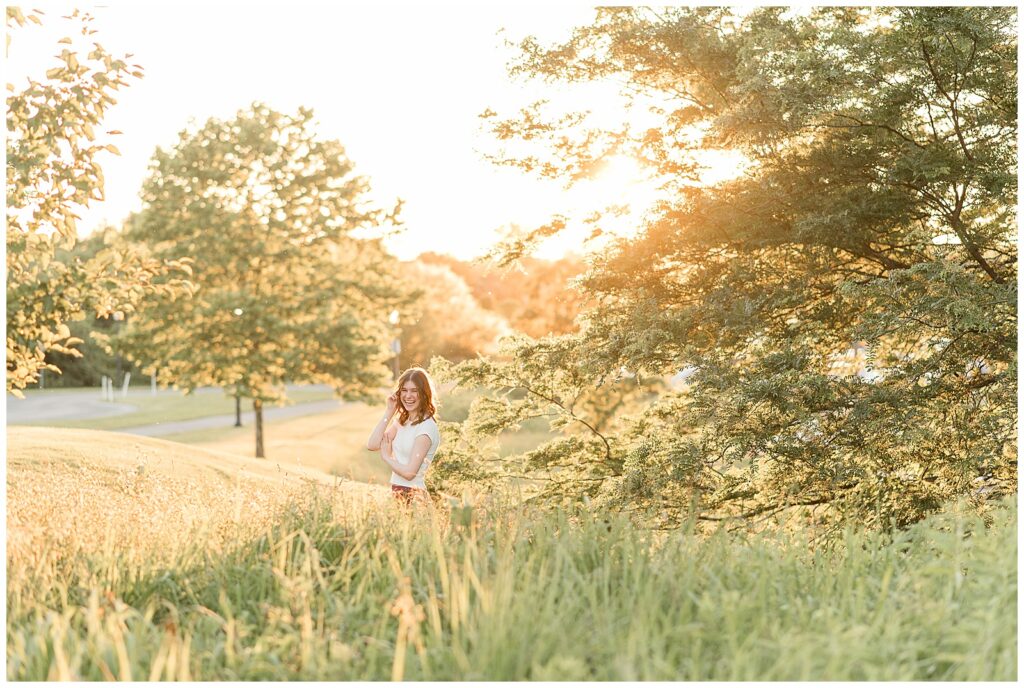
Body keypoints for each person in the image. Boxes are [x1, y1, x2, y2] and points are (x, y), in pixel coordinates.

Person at [366, 367, 441, 504]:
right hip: (399, 492)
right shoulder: (402, 422)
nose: (408, 396)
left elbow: (409, 474)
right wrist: (389, 411)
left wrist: (387, 457)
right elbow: (372, 444)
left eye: (414, 391)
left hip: (413, 497)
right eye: (404, 390)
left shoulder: (426, 428)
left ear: (424, 394)